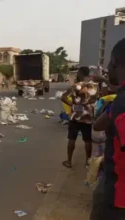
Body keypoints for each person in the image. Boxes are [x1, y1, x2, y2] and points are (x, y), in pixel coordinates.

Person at [90, 38, 125, 220]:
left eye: (110, 64)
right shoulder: (119, 97)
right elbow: (99, 124)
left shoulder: (122, 103)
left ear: (116, 63)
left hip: (117, 200)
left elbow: (98, 125)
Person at [61, 66, 97, 169]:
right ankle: (87, 162)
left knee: (72, 139)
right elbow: (95, 100)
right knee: (88, 140)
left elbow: (63, 97)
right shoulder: (94, 87)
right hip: (88, 116)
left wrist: (72, 104)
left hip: (76, 115)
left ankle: (69, 161)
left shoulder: (75, 86)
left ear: (81, 73)